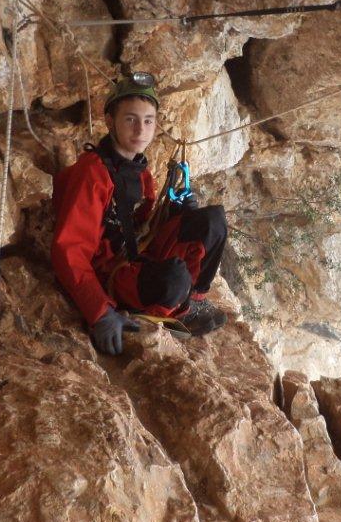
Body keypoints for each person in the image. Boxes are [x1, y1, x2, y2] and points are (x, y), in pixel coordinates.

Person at [50, 72, 229, 355]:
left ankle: (192, 301)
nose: (140, 130)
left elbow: (141, 224)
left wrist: (179, 213)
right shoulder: (93, 174)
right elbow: (69, 249)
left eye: (148, 121)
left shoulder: (140, 171)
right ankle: (177, 305)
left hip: (134, 252)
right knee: (173, 279)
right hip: (109, 271)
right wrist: (99, 311)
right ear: (111, 122)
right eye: (130, 119)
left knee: (213, 221)